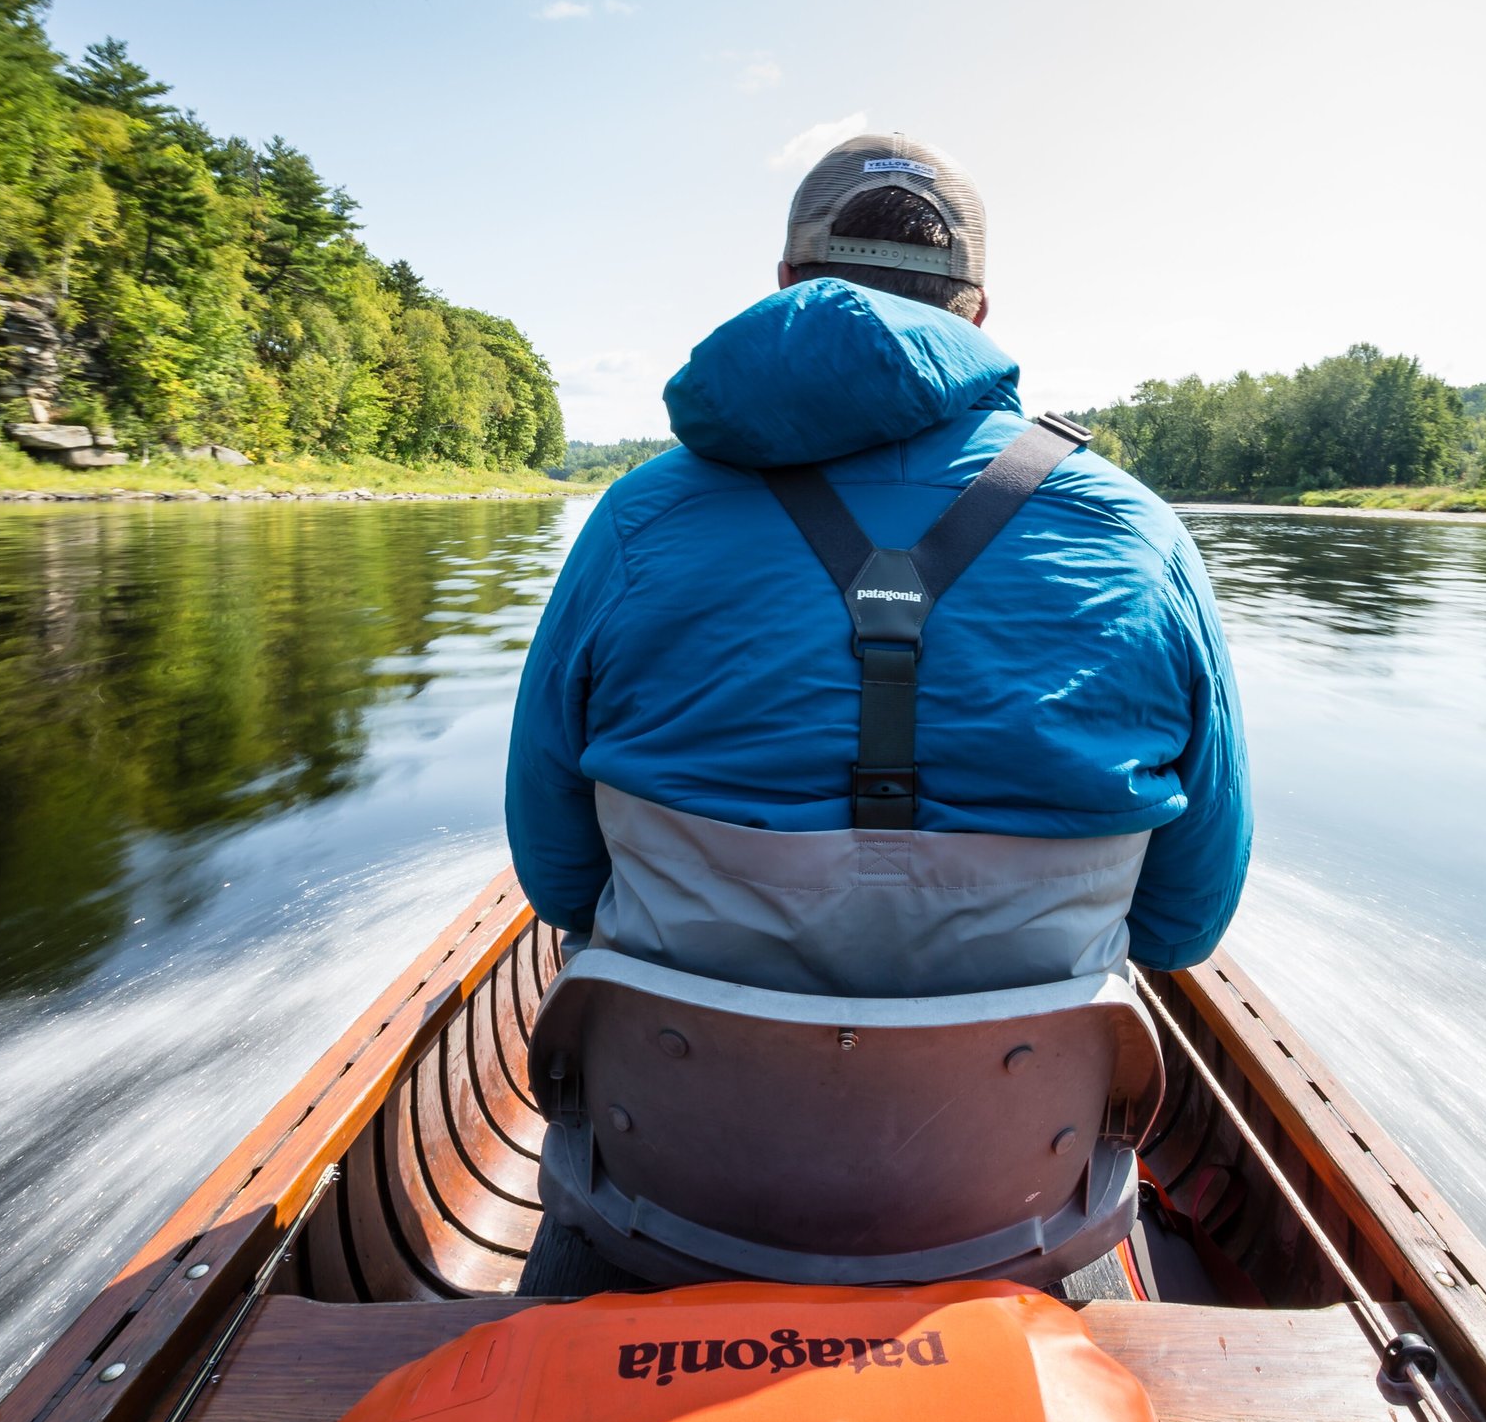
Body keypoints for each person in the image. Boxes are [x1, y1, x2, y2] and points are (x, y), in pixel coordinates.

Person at [504, 133, 1249, 1002]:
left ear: (787, 284)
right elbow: (1183, 925)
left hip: (671, 1116)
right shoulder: (1142, 539)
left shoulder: (634, 521)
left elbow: (558, 882)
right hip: (1023, 1129)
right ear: (976, 311)